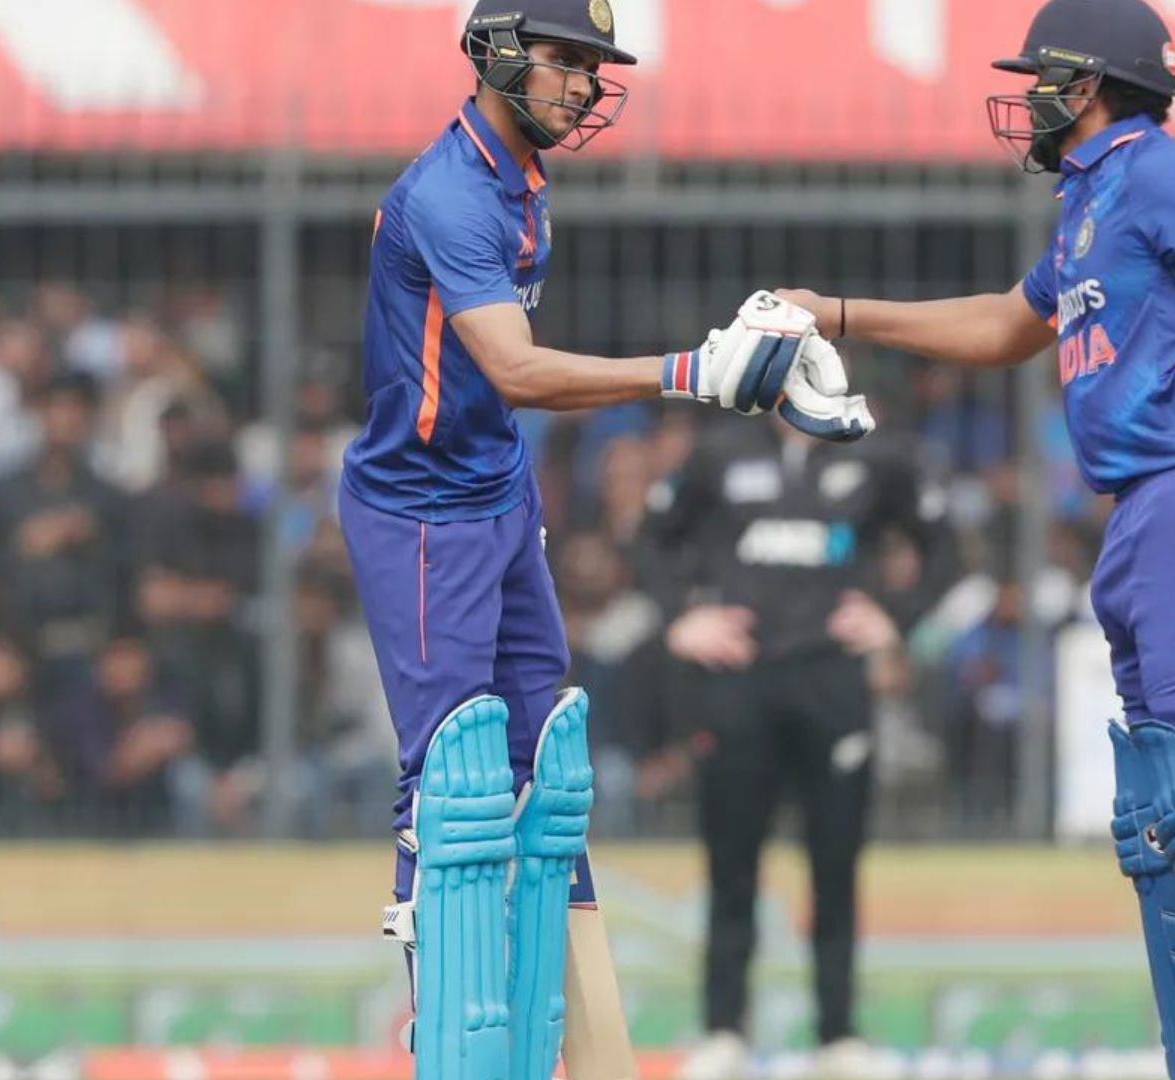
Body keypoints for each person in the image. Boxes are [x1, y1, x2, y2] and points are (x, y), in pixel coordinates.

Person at [773, 2, 1175, 1079]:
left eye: (1041, 78)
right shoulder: (1090, 201)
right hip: (1148, 510)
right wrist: (835, 313)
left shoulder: (1159, 172)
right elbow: (1000, 327)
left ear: (1089, 85)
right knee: (1170, 810)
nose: (1024, 98)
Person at [336, 4, 870, 1079]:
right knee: (454, 780)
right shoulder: (446, 192)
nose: (583, 85)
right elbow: (519, 371)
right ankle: (452, 1038)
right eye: (565, 60)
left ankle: (587, 1047)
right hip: (419, 510)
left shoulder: (525, 186)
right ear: (495, 53)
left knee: (548, 780)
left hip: (494, 492)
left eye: (594, 67)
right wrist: (690, 372)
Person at [639, 416, 950, 1080]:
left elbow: (942, 541)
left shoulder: (876, 450)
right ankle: (724, 1031)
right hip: (737, 681)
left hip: (832, 682)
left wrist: (896, 616)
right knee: (730, 865)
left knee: (836, 862)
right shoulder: (719, 450)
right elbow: (654, 538)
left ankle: (838, 1035)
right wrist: (681, 620)